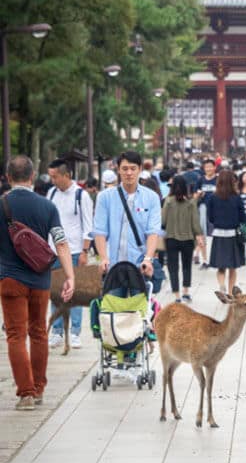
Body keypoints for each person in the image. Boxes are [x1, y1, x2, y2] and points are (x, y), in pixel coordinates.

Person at [0, 155, 75, 409]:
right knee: (39, 332)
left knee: (15, 335)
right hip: (40, 280)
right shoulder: (48, 207)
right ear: (33, 177)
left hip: (9, 279)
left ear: (8, 178)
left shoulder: (2, 205)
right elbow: (61, 243)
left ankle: (26, 394)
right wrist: (70, 276)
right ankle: (39, 388)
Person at [45, 158, 94, 350]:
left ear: (66, 175)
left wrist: (84, 251)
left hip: (74, 251)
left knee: (75, 293)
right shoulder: (50, 194)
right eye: (51, 177)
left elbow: (89, 225)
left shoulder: (81, 195)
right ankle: (56, 332)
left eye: (55, 176)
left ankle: (74, 333)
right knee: (55, 292)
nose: (53, 180)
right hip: (53, 251)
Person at [93, 151, 161, 280]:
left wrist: (148, 259)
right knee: (112, 299)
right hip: (113, 266)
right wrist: (103, 258)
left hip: (140, 265)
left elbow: (153, 231)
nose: (129, 173)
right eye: (124, 169)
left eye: (133, 168)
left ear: (140, 169)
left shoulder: (152, 198)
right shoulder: (104, 197)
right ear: (118, 170)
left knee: (140, 300)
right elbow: (100, 231)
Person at [161, 174, 205, 303]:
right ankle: (186, 292)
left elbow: (162, 221)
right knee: (187, 266)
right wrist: (199, 236)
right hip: (187, 239)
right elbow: (195, 222)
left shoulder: (167, 201)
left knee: (173, 267)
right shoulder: (191, 202)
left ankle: (176, 295)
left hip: (171, 238)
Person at [205, 169, 246, 293]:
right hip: (233, 235)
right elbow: (242, 217)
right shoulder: (237, 198)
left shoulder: (212, 198)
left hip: (218, 234)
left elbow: (210, 217)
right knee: (233, 267)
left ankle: (221, 285)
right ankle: (230, 292)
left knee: (221, 267)